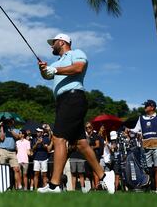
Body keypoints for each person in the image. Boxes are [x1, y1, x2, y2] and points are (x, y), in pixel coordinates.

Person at [37, 33, 115, 193]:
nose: (51, 46)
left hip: (72, 98)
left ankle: (54, 185)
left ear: (62, 42)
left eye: (53, 43)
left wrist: (54, 69)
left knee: (58, 139)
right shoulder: (57, 62)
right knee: (81, 143)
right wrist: (44, 69)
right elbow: (47, 76)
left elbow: (79, 67)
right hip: (64, 102)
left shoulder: (76, 53)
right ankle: (104, 176)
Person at [128, 100, 157, 192]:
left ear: (152, 107)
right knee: (148, 169)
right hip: (146, 146)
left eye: (146, 105)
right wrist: (128, 130)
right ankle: (149, 187)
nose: (144, 107)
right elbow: (136, 130)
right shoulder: (141, 118)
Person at [0, 117, 22, 189]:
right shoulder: (3, 129)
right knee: (2, 169)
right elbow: (1, 138)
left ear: (13, 122)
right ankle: (3, 186)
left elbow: (17, 137)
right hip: (3, 150)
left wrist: (11, 130)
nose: (8, 123)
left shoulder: (16, 130)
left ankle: (19, 186)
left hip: (12, 152)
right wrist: (2, 127)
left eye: (10, 121)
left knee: (16, 169)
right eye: (7, 122)